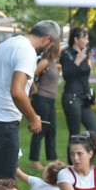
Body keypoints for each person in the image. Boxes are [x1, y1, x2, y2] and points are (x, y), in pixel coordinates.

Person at [0, 21, 59, 181]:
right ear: (47, 39)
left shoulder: (11, 42)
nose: (49, 48)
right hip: (3, 121)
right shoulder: (27, 52)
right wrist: (33, 117)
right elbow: (17, 92)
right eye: (51, 44)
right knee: (6, 184)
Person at [59, 26, 96, 156]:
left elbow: (85, 78)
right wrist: (77, 60)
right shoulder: (67, 55)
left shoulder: (84, 54)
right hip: (72, 98)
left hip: (84, 98)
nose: (87, 41)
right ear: (76, 39)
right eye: (85, 38)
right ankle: (72, 163)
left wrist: (93, 96)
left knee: (94, 130)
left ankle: (87, 158)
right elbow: (67, 75)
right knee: (74, 134)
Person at [28, 33, 61, 166]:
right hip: (42, 99)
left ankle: (52, 159)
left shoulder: (53, 62)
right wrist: (35, 89)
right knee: (41, 129)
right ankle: (35, 160)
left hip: (51, 100)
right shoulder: (45, 61)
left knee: (51, 130)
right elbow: (30, 75)